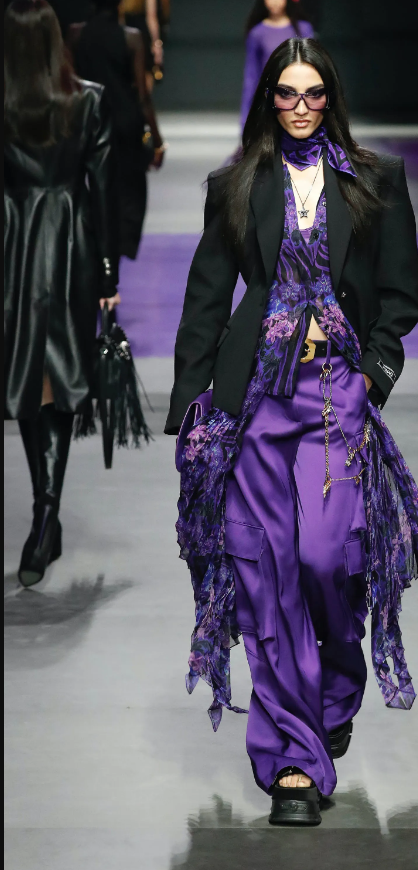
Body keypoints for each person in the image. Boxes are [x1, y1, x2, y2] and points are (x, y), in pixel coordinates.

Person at [167, 37, 418, 826]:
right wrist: (191, 409)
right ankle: (291, 760)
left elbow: (400, 295)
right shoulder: (235, 184)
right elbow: (206, 297)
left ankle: (334, 687)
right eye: (286, 94)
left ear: (330, 98)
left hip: (334, 397)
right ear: (269, 99)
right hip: (254, 401)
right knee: (269, 575)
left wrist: (371, 378)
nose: (299, 107)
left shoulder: (375, 181)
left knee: (327, 558)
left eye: (312, 93)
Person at [4, 0, 120, 586]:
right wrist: (108, 275)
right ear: (56, 41)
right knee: (57, 375)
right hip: (71, 246)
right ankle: (46, 512)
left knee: (32, 377)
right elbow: (103, 192)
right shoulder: (88, 101)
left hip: (14, 248)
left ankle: (45, 514)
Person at [68, 0, 165, 261]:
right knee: (130, 190)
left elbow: (71, 83)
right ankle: (117, 251)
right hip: (125, 122)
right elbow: (142, 96)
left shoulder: (76, 35)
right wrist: (157, 141)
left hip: (88, 121)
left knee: (93, 186)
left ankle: (98, 247)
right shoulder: (131, 38)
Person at [241, 0, 313, 129]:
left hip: (299, 94)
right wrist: (246, 120)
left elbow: (313, 65)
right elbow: (252, 74)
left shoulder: (303, 28)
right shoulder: (257, 33)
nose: (274, 2)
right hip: (269, 99)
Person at [120, 0, 164, 92]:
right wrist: (156, 44)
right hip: (143, 37)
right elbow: (151, 17)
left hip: (124, 36)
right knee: (145, 79)